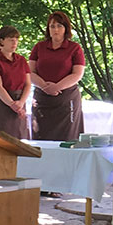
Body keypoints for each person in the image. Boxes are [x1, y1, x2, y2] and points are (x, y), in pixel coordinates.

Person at [28, 10, 86, 141]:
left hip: (66, 99)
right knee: (40, 138)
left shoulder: (75, 48)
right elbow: (30, 72)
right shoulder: (39, 47)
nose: (56, 29)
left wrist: (57, 87)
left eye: (59, 26)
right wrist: (44, 86)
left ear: (66, 28)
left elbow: (77, 74)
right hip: (42, 99)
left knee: (68, 138)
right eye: (52, 26)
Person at [0, 25, 31, 140]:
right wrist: (12, 104)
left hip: (20, 100)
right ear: (1, 41)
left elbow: (28, 84)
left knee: (22, 137)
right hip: (3, 103)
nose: (14, 43)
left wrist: (20, 103)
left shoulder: (21, 60)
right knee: (2, 138)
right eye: (11, 40)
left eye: (16, 40)